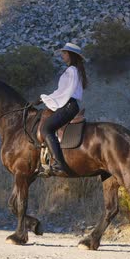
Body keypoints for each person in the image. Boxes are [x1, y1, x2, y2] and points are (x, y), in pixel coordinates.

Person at [37, 42, 88, 177]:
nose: (62, 55)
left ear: (70, 55)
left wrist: (46, 98)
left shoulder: (72, 71)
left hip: (68, 105)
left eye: (64, 53)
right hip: (68, 104)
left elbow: (65, 93)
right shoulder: (74, 70)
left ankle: (59, 164)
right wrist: (45, 98)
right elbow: (62, 91)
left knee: (46, 129)